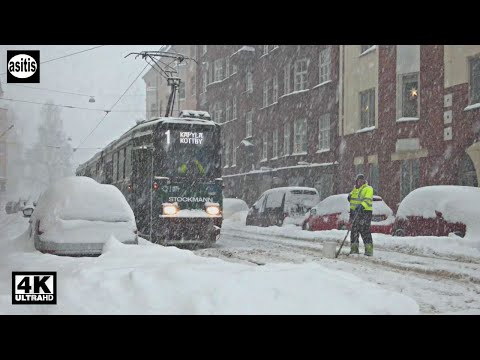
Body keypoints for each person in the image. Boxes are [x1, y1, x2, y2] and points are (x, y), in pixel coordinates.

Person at [347, 174, 374, 256]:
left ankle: (369, 250)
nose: (360, 182)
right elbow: (352, 199)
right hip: (354, 213)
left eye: (362, 181)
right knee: (354, 231)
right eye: (359, 181)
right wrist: (349, 197)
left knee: (365, 231)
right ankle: (354, 249)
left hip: (365, 213)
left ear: (364, 181)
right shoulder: (355, 190)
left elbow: (367, 199)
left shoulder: (368, 189)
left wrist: (362, 206)